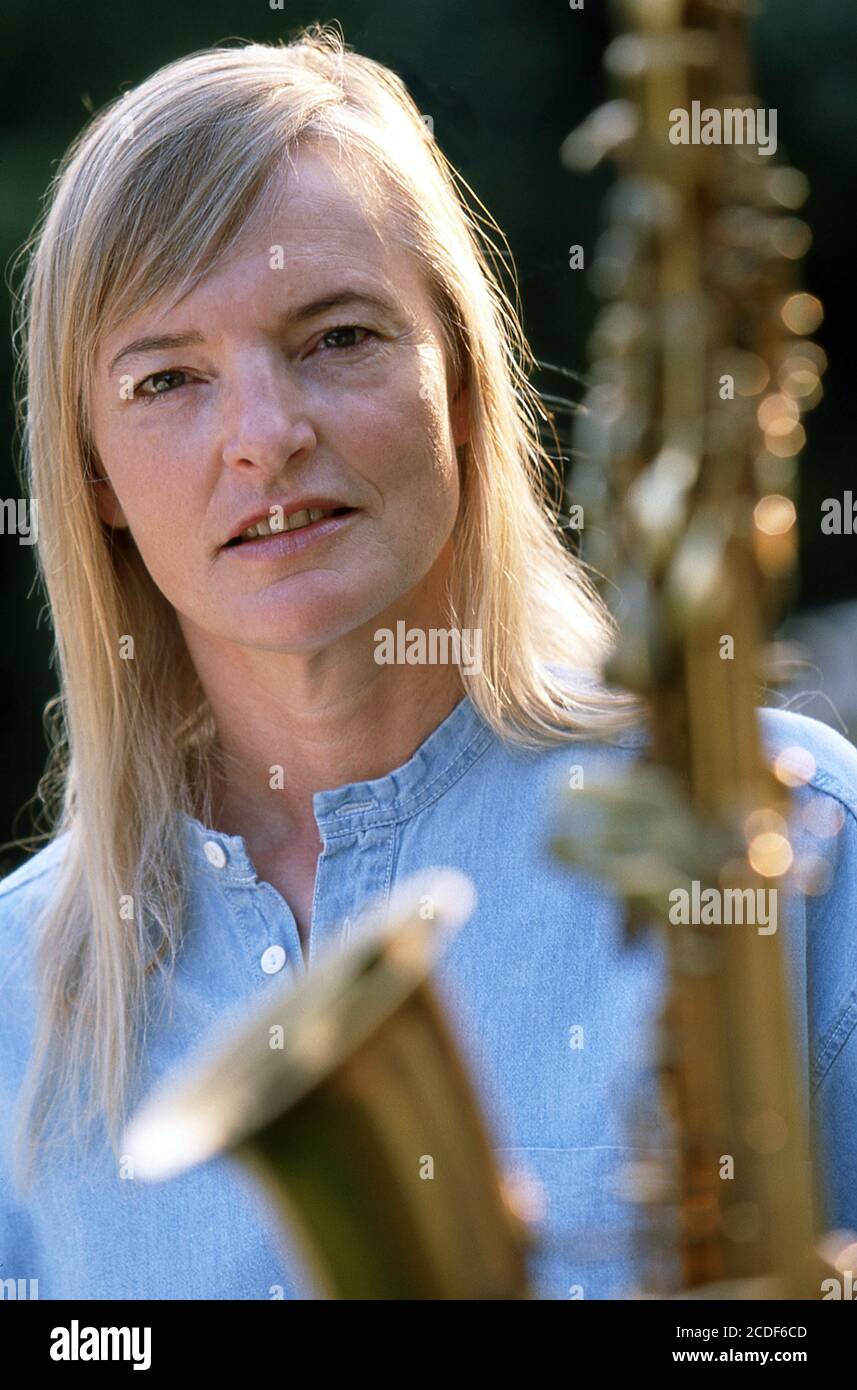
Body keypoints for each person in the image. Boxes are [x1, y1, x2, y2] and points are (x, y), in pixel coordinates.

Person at [1, 26, 856, 1302]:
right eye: (169, 377)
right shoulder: (13, 994)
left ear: (459, 377)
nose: (266, 438)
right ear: (93, 478)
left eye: (337, 338)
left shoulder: (778, 826)